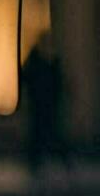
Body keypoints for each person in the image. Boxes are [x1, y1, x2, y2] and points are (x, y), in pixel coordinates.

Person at [21, 36, 70, 176]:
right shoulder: (36, 61)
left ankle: (62, 162)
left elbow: (60, 84)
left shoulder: (52, 62)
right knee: (38, 135)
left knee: (53, 134)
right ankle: (35, 163)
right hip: (39, 106)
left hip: (49, 106)